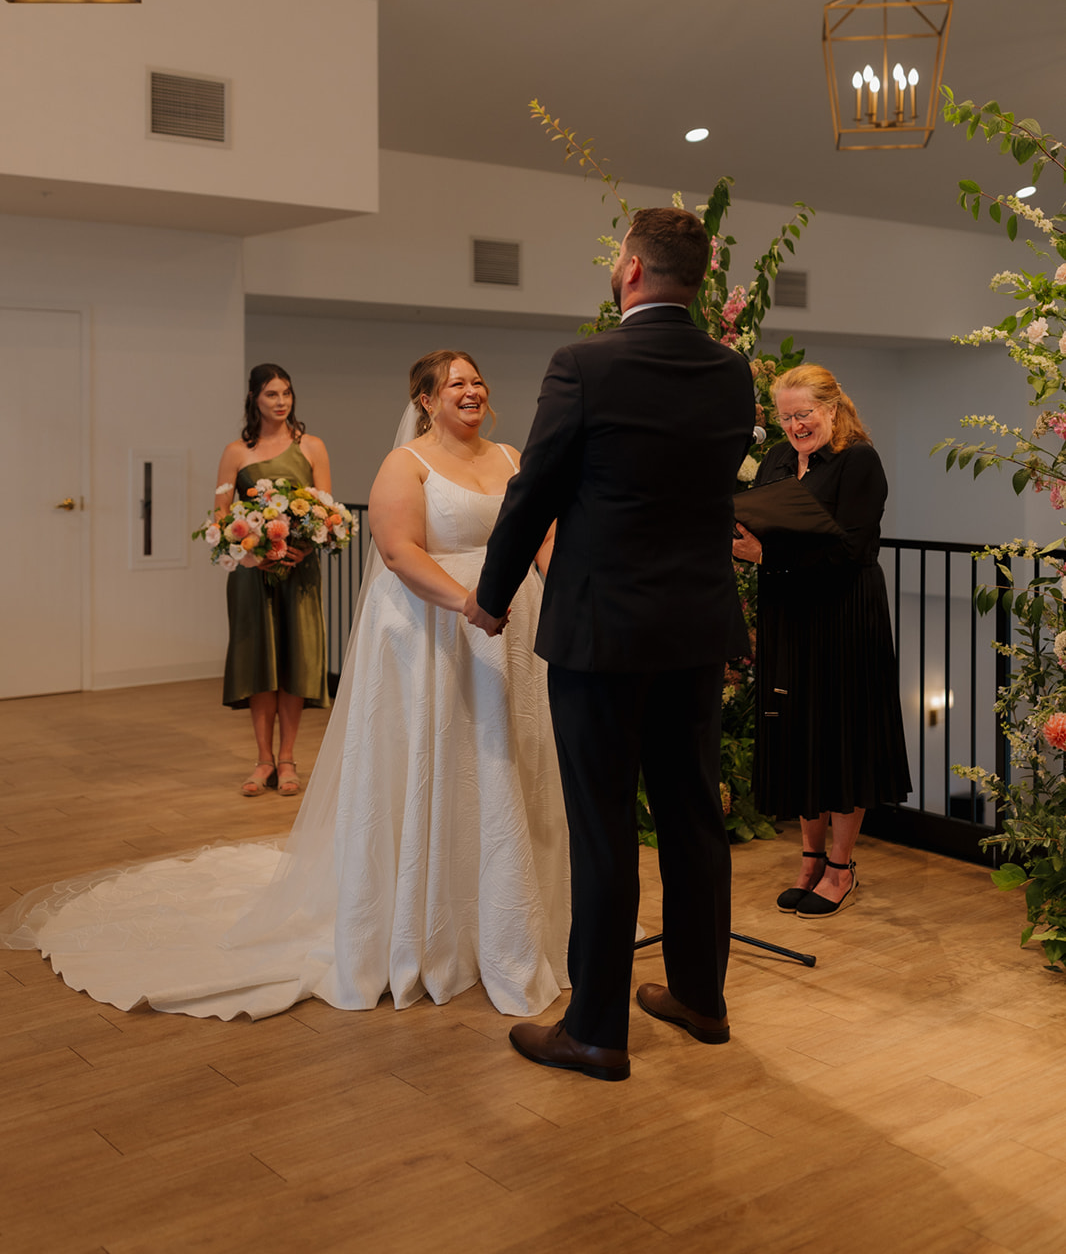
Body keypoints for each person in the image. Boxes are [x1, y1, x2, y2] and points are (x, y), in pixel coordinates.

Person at [0, 352, 568, 1021]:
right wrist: (470, 604)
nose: (471, 392)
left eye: (477, 381)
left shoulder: (510, 456)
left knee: (510, 763)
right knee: (433, 764)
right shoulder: (404, 464)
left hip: (514, 629)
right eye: (456, 384)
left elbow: (544, 531)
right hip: (438, 625)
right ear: (424, 399)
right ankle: (423, 914)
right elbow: (396, 550)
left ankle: (514, 918)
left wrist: (557, 595)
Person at [466, 206, 756, 1082]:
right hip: (695, 628)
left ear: (630, 269)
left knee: (603, 829)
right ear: (696, 277)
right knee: (693, 816)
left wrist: (491, 596)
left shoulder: (584, 365)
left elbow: (535, 491)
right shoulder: (731, 371)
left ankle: (594, 1029)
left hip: (601, 633)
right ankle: (700, 998)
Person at [732, 364, 912, 917]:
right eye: (785, 417)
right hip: (791, 611)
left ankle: (840, 866)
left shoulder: (859, 461)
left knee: (840, 736)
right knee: (798, 734)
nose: (794, 426)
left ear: (832, 409)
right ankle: (808, 859)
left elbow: (851, 552)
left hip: (843, 613)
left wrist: (768, 555)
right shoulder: (779, 461)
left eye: (803, 414)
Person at [217, 363, 331, 797]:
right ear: (254, 400)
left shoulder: (313, 447)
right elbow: (221, 516)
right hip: (253, 575)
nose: (280, 401)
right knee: (260, 662)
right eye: (271, 395)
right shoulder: (235, 452)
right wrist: (249, 554)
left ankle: (287, 760)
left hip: (299, 570)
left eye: (286, 393)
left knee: (295, 660)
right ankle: (262, 759)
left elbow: (327, 511)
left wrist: (305, 546)